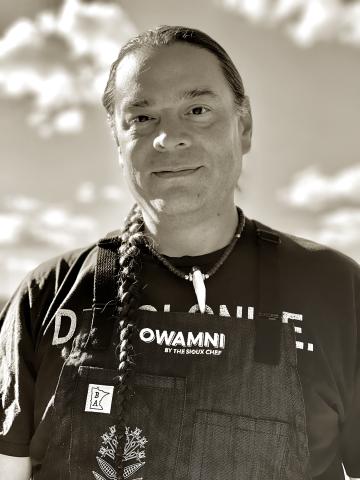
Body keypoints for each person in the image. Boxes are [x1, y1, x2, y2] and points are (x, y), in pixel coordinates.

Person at [0, 25, 359, 480]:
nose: (169, 138)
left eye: (198, 110)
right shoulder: (47, 295)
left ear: (243, 127)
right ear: (117, 140)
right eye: (142, 118)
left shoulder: (334, 290)